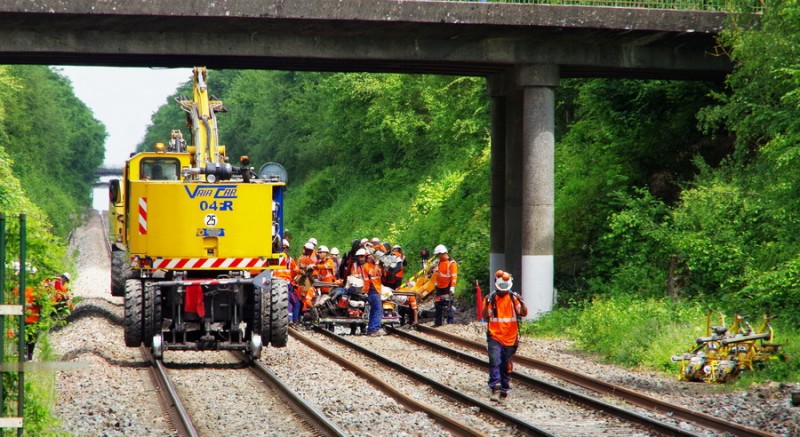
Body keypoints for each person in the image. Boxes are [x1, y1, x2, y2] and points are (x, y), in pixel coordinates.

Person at [482, 270, 527, 402]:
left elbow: (523, 313)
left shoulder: (513, 298)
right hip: (495, 335)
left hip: (510, 337)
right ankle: (495, 386)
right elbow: (485, 316)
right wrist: (486, 303)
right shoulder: (492, 298)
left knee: (505, 364)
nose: (503, 291)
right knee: (495, 360)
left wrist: (522, 302)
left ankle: (504, 388)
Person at [274, 240, 300, 323]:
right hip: (286, 283)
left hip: (274, 282)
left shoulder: (274, 257)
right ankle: (292, 320)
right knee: (294, 302)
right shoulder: (289, 259)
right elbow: (296, 270)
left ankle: (287, 319)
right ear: (286, 248)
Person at [432, 244, 458, 327]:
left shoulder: (452, 263)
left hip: (448, 287)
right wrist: (436, 283)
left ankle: (450, 324)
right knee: (437, 304)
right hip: (440, 287)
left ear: (442, 253)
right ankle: (438, 323)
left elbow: (454, 276)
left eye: (438, 255)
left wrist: (452, 286)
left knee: (448, 304)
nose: (437, 257)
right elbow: (439, 274)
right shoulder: (440, 262)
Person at [363, 252, 384, 336]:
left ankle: (371, 329)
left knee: (374, 310)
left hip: (375, 290)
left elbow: (381, 273)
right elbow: (373, 273)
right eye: (370, 257)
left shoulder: (374, 265)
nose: (372, 258)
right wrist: (377, 263)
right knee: (378, 310)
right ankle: (374, 329)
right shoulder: (367, 266)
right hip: (372, 290)